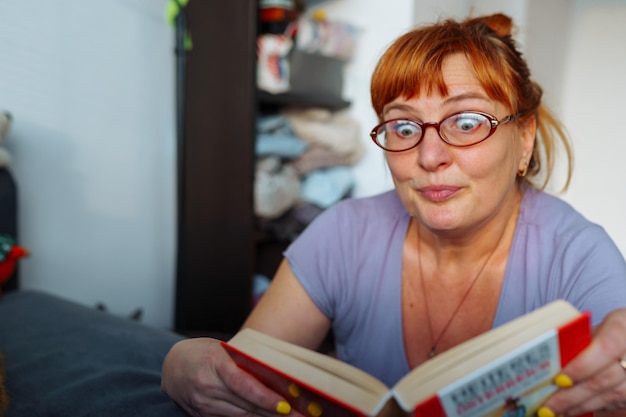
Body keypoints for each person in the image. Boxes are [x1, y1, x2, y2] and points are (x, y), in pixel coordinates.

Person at [161, 13, 626, 417]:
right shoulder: (342, 235)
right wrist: (180, 363)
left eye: (466, 122)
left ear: (524, 138)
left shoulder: (580, 256)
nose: (429, 156)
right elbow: (242, 376)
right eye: (404, 126)